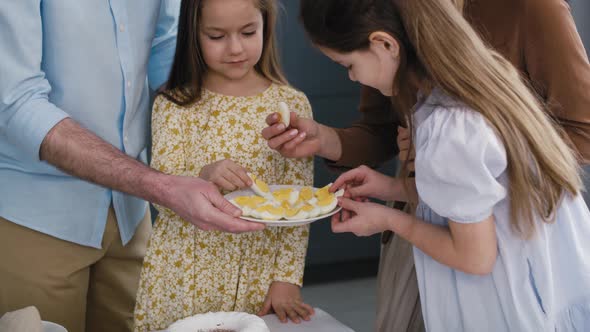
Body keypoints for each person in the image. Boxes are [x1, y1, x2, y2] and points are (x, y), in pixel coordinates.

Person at [263, 0, 590, 330]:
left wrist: (390, 218)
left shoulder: (448, 127)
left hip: (504, 294)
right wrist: (395, 187)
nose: (351, 78)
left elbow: (475, 255)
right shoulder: (469, 88)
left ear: (386, 44)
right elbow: (481, 187)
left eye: (348, 65)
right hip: (531, 281)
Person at [0, 1, 263, 332]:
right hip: (38, 220)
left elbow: (165, 45)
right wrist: (163, 186)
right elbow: (16, 104)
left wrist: (240, 116)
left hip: (131, 211)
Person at [132, 0, 315, 331]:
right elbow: (162, 189)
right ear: (194, 35)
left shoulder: (291, 106)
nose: (235, 48)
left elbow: (300, 203)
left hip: (256, 277)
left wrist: (287, 278)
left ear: (266, 26)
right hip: (182, 276)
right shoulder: (174, 105)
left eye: (248, 32)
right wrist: (203, 176)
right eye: (216, 36)